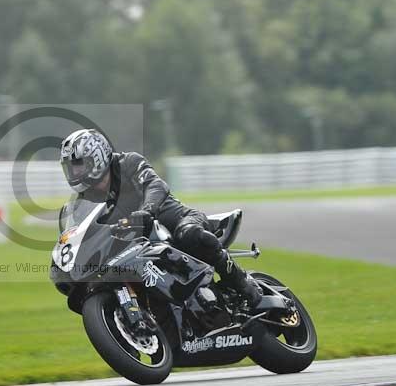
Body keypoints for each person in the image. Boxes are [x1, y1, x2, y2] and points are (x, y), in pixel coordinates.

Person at [59, 128, 262, 307]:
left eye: (78, 165)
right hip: (138, 243)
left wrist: (146, 211)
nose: (74, 172)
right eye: (70, 167)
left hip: (175, 218)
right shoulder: (86, 199)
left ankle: (240, 281)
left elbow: (157, 186)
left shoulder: (128, 162)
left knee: (189, 234)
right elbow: (84, 232)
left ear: (97, 157)